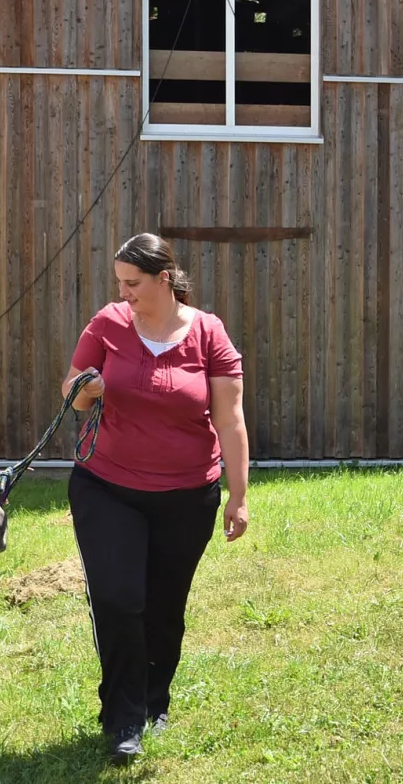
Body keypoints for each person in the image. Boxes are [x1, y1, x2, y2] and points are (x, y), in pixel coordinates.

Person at [61, 233, 250, 763]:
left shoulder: (208, 333)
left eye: (133, 283)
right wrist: (84, 390)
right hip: (106, 487)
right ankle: (122, 717)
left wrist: (238, 495)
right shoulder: (109, 323)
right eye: (119, 283)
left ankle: (153, 700)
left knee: (164, 607)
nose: (124, 293)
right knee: (119, 599)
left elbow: (230, 420)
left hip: (187, 495)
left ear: (165, 279)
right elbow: (71, 391)